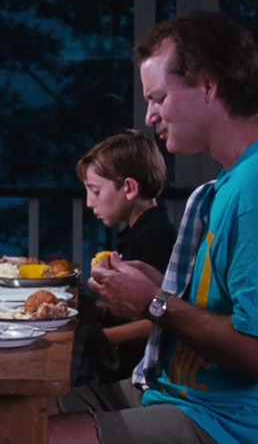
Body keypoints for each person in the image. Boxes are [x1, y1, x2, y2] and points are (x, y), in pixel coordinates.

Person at [49, 10, 258, 444]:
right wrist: (159, 286)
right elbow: (229, 301)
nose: (150, 116)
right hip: (176, 393)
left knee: (21, 434)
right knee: (9, 414)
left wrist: (154, 303)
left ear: (207, 85)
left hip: (230, 424)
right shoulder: (244, 175)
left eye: (159, 98)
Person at [73, 130, 177, 386]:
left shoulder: (154, 236)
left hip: (139, 374)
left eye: (95, 191)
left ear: (129, 188)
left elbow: (161, 319)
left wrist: (98, 340)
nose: (89, 202)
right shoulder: (137, 231)